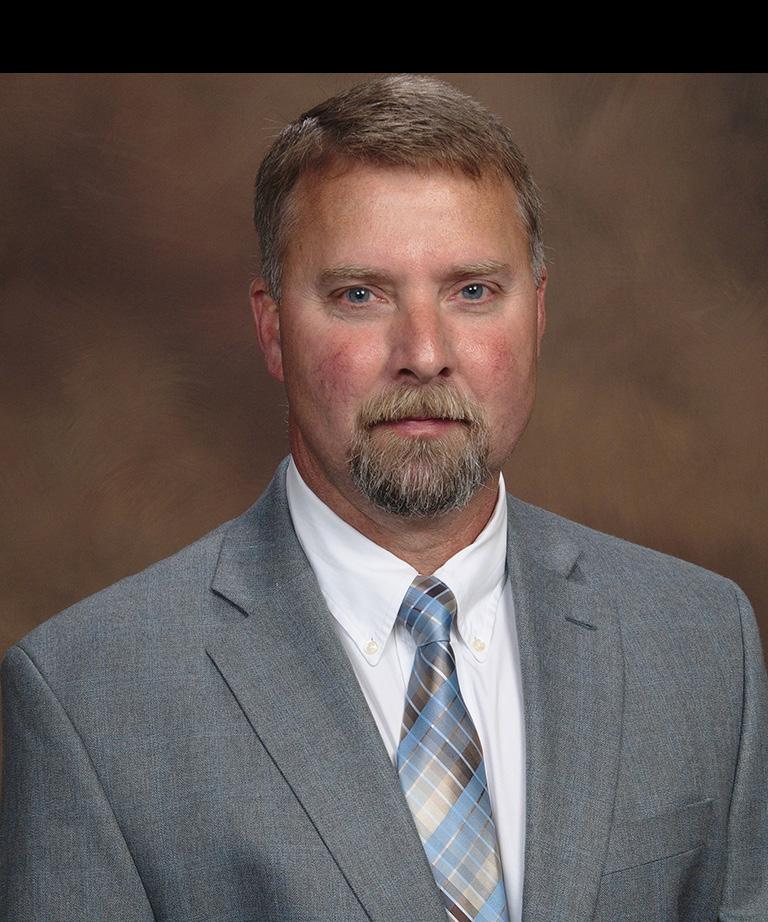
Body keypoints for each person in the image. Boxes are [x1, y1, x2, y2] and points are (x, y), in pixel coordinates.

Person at [1, 74, 766, 922]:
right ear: (272, 328)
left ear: (538, 313)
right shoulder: (88, 698)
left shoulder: (702, 644)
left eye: (472, 291)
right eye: (360, 295)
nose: (425, 353)